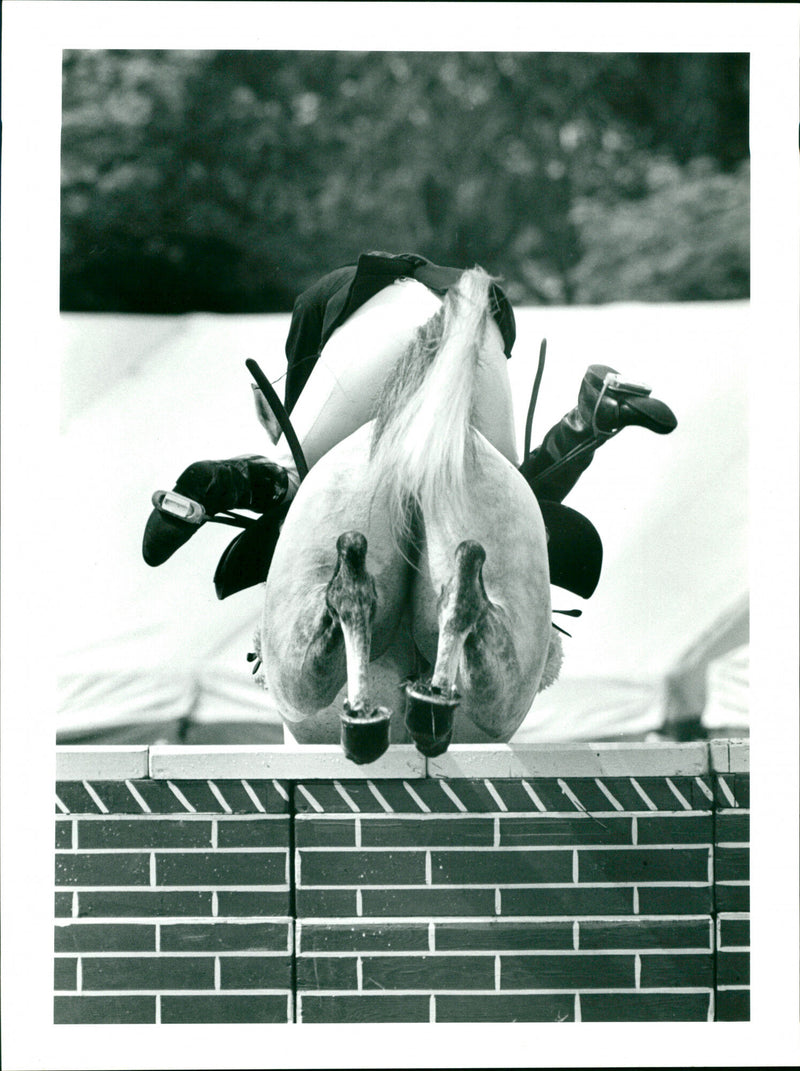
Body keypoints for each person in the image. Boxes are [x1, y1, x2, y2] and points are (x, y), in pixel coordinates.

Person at [142, 251, 676, 599]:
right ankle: (589, 417)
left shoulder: (329, 293)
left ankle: (216, 485)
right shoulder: (447, 291)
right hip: (478, 311)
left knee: (300, 478)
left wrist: (287, 447)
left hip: (384, 324)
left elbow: (296, 426)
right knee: (507, 491)